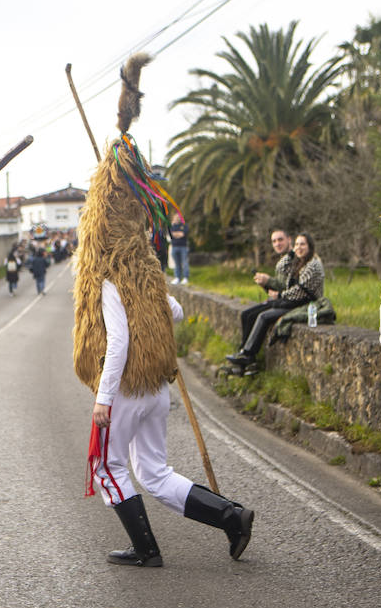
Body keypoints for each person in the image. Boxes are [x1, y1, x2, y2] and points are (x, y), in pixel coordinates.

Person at [74, 54, 254, 567]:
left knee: (108, 467)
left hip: (128, 390)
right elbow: (171, 313)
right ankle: (230, 517)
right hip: (156, 390)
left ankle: (146, 547)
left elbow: (118, 342)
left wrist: (104, 399)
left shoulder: (110, 277)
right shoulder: (147, 269)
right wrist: (152, 321)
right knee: (152, 472)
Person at [227, 233, 324, 371]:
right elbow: (284, 274)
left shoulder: (313, 265)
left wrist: (279, 295)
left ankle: (248, 355)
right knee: (251, 314)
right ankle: (245, 355)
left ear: (310, 246)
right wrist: (292, 254)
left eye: (302, 244)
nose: (299, 248)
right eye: (297, 244)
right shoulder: (299, 263)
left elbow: (299, 291)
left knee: (264, 316)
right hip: (292, 302)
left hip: (307, 305)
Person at [253, 229, 291, 295]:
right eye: (274, 241)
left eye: (280, 240)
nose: (277, 244)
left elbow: (289, 288)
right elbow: (278, 290)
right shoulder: (283, 260)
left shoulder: (295, 259)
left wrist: (268, 281)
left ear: (289, 239)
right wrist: (264, 284)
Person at [168, 214, 190, 284]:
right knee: (177, 263)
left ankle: (185, 278)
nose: (177, 218)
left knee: (184, 263)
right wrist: (178, 234)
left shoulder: (184, 226)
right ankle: (177, 277)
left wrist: (177, 234)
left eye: (178, 217)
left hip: (183, 247)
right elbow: (172, 234)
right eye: (176, 217)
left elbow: (182, 234)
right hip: (174, 247)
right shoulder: (172, 226)